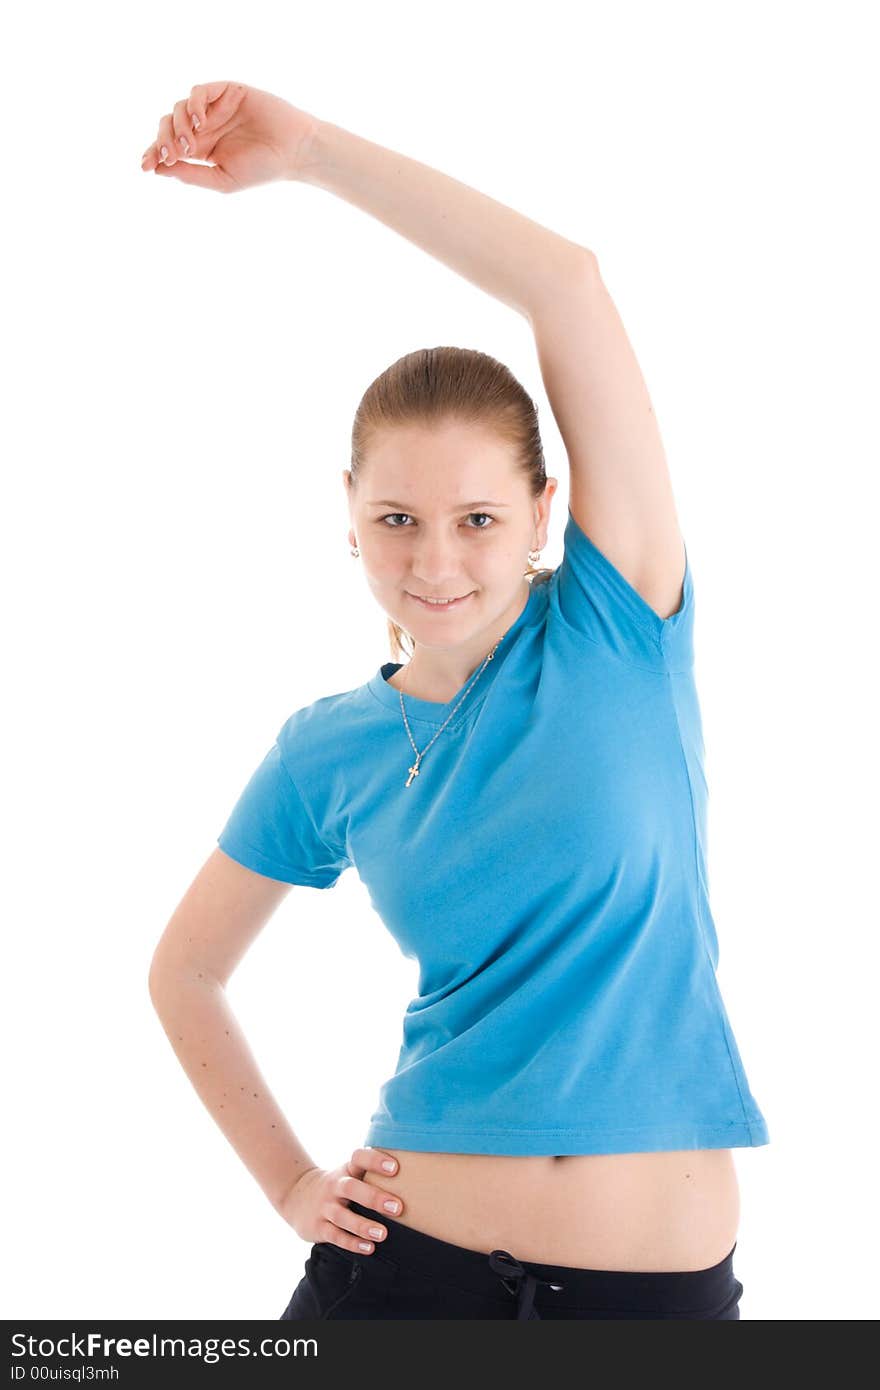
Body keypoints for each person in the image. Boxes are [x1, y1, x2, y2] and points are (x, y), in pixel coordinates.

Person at [145, 82, 769, 1321]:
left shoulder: (615, 624)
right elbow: (185, 972)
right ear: (350, 517)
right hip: (403, 1272)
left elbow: (569, 284)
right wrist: (286, 1185)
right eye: (397, 520)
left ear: (544, 514)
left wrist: (312, 153)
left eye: (478, 519)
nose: (435, 562)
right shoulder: (327, 751)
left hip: (654, 1296)